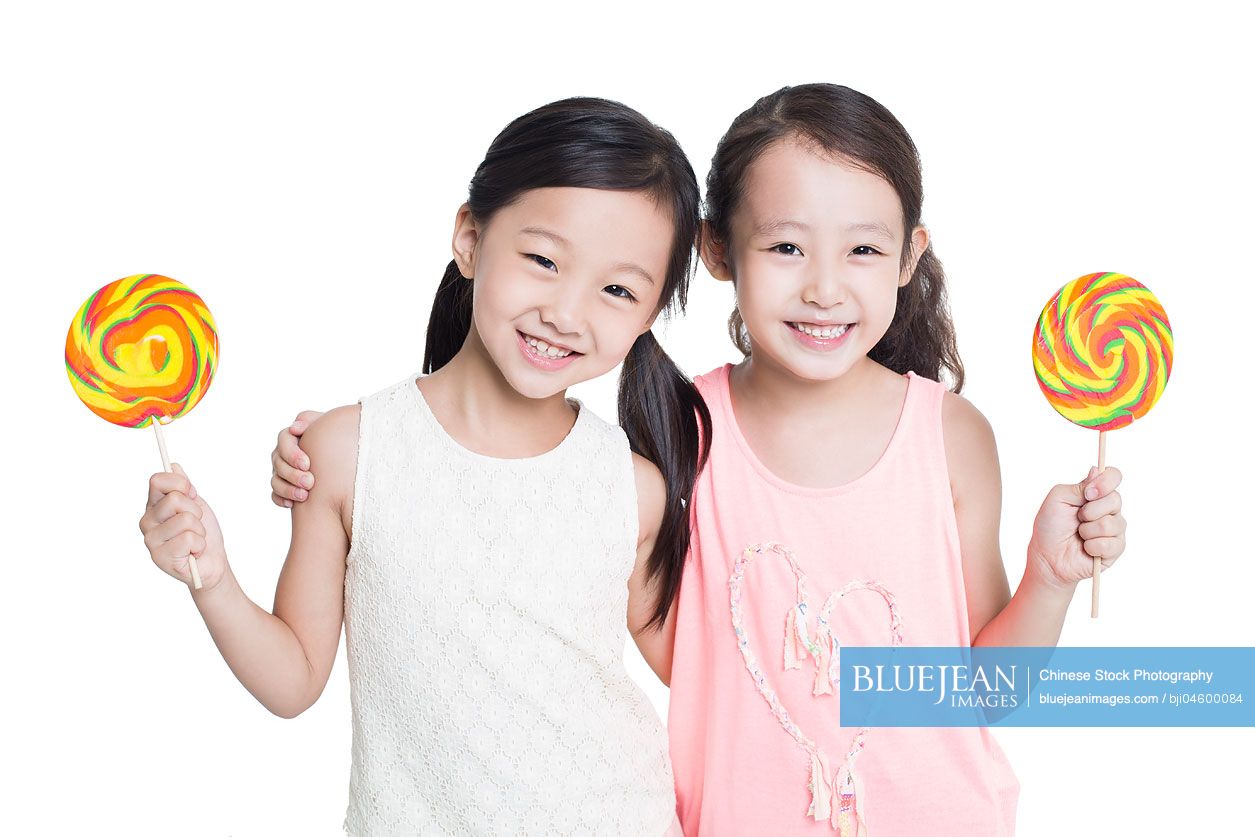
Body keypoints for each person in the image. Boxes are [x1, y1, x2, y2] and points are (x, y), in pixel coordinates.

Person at [139, 96, 707, 836]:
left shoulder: (633, 488)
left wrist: (899, 689)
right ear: (469, 238)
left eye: (617, 290)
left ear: (650, 313)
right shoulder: (345, 452)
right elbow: (292, 681)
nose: (568, 311)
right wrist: (209, 575)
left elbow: (708, 673)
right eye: (542, 259)